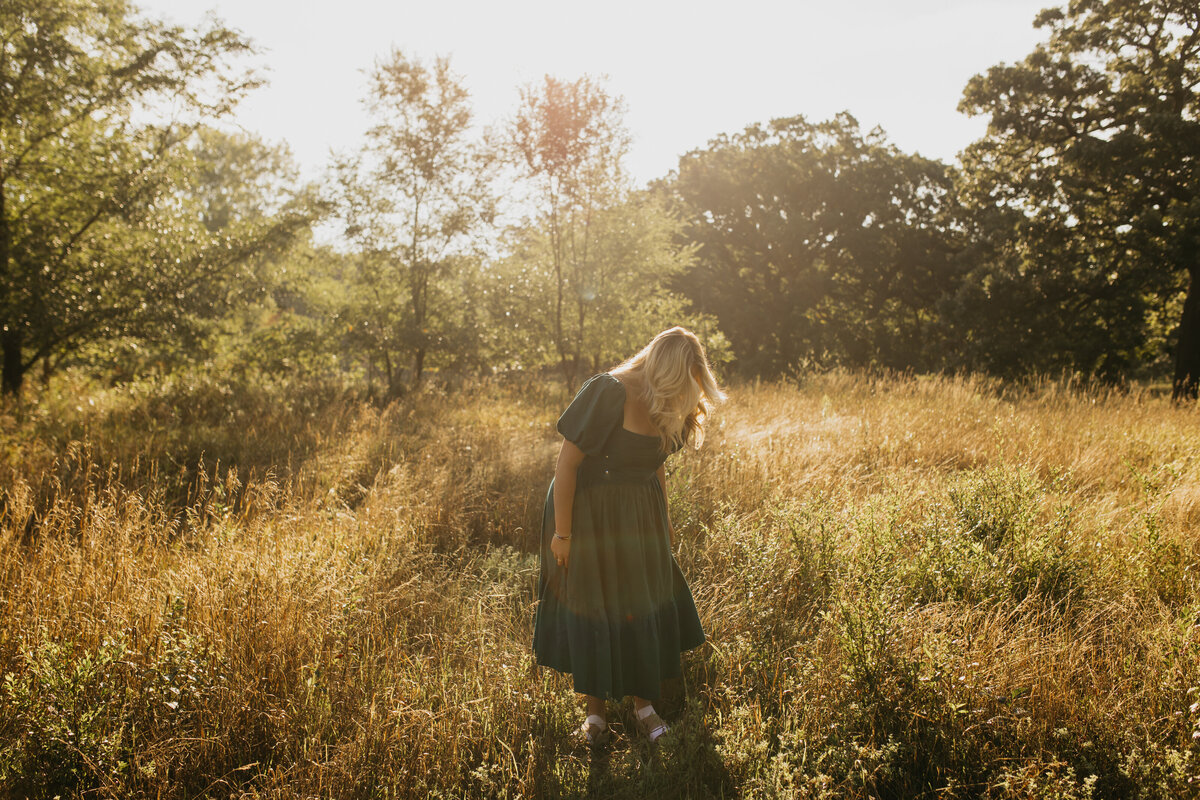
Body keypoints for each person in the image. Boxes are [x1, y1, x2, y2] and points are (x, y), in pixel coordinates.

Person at [532, 326, 726, 747]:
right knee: (594, 602)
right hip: (588, 515)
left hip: (640, 514)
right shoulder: (608, 391)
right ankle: (595, 715)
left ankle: (644, 706)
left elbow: (654, 463)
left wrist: (665, 520)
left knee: (641, 602)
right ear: (663, 368)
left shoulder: (668, 398)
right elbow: (565, 467)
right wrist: (563, 534)